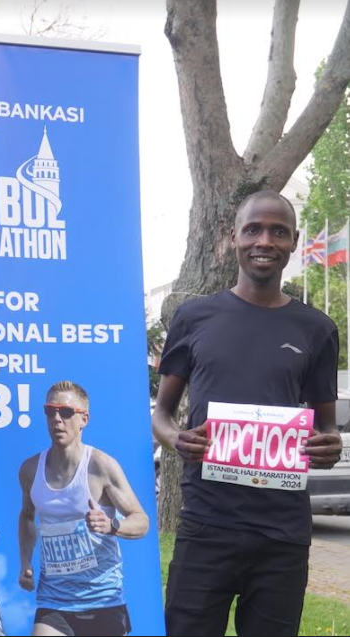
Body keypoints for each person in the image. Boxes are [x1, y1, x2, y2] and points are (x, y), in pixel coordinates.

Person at [153, 190, 345, 636]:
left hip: (281, 534)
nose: (265, 240)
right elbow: (161, 415)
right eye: (253, 229)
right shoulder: (194, 317)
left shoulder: (317, 329)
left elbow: (327, 429)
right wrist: (176, 438)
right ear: (232, 237)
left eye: (278, 231)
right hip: (207, 524)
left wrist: (328, 446)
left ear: (294, 241)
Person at [18, 380, 149, 637]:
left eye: (66, 412)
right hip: (54, 601)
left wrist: (112, 525)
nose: (57, 419)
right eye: (50, 411)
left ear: (83, 419)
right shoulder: (30, 470)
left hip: (103, 599)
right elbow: (26, 517)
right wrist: (25, 562)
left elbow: (141, 521)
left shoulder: (101, 466)